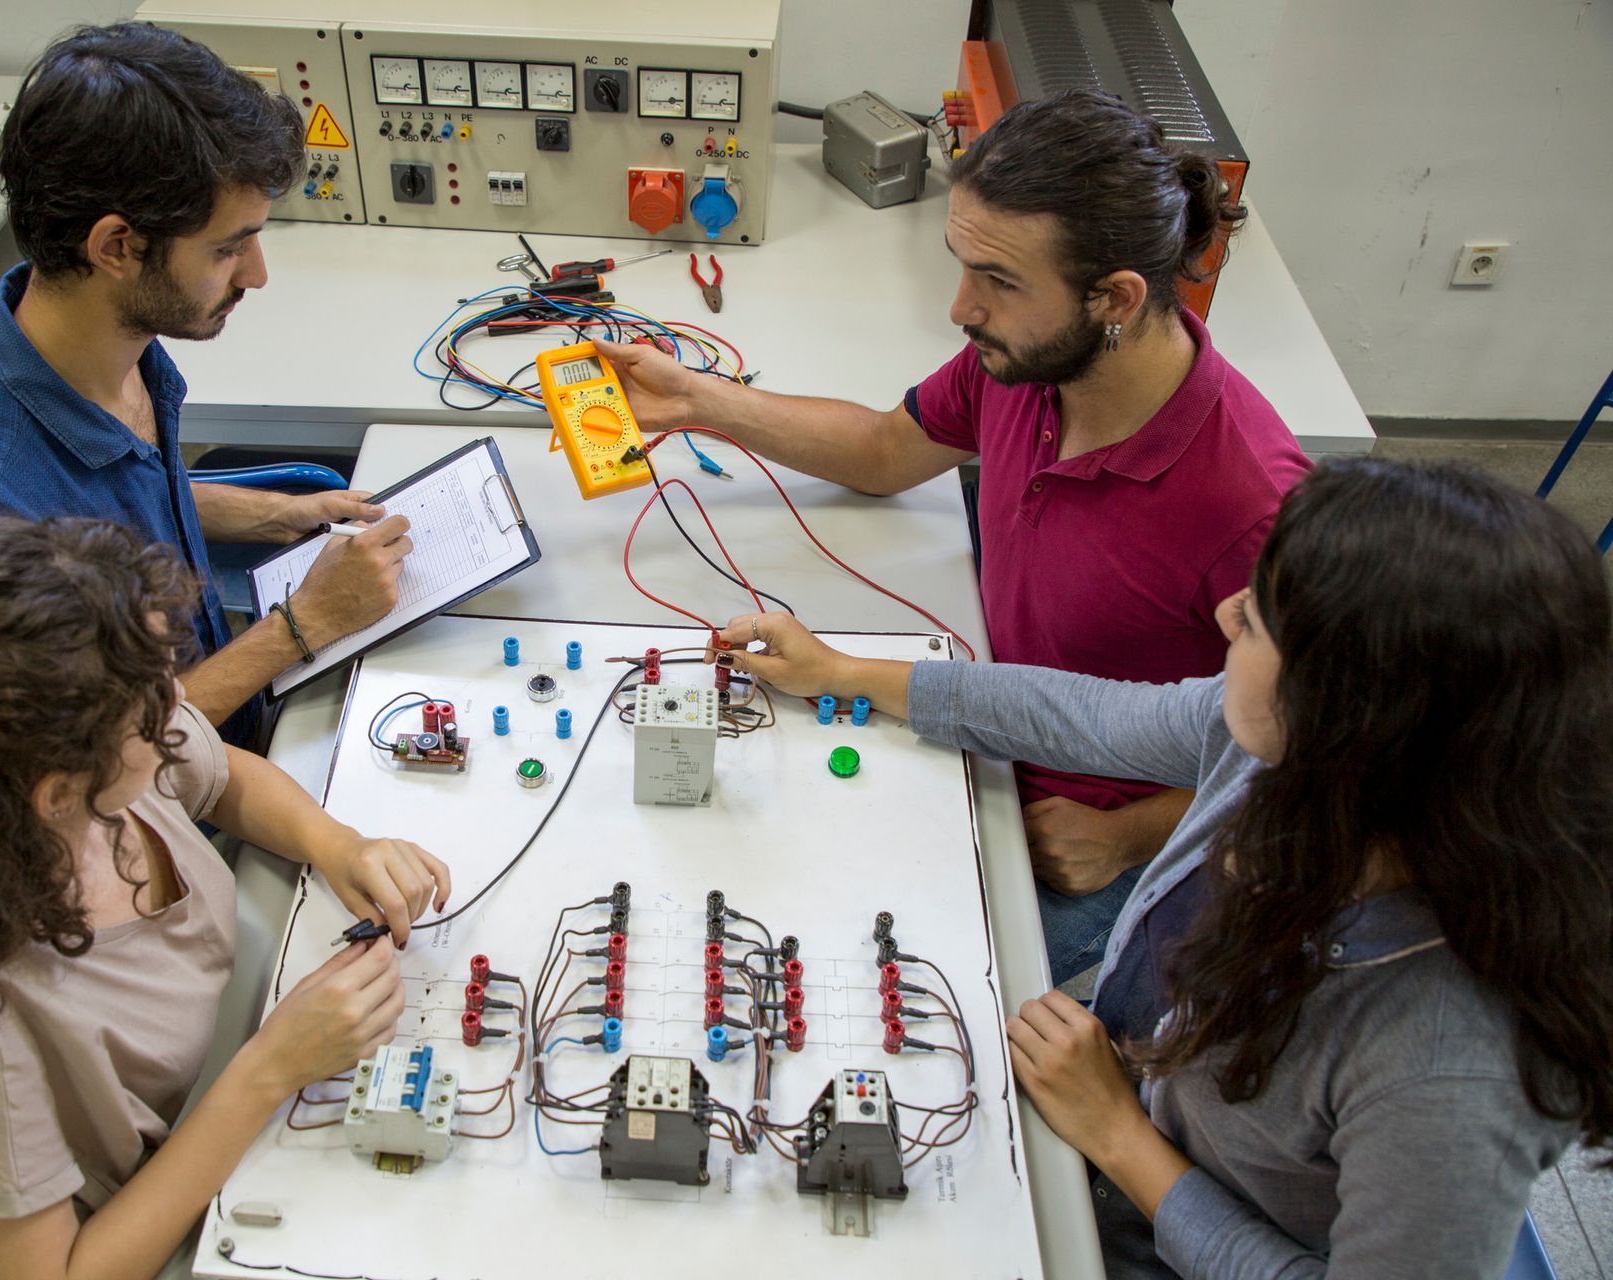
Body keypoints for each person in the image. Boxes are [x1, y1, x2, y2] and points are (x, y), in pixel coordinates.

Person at [718, 458, 1613, 1276]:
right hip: (1119, 1086)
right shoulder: (1298, 756)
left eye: (1255, 620)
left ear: (1352, 709)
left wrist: (1120, 1139)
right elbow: (1089, 717)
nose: (1226, 615)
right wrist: (849, 671)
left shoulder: (1449, 1070)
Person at [600, 89, 1311, 985]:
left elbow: (1324, 767)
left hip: (1082, 835)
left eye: (999, 282)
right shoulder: (1023, 361)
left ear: (1115, 299)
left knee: (853, 975)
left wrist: (1131, 836)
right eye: (961, 263)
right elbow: (886, 450)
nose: (959, 308)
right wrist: (699, 401)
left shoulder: (1255, 509)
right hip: (976, 715)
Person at [0, 517, 452, 1280]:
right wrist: (271, 1068)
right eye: (147, 697)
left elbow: (224, 776)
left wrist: (338, 844)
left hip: (183, 1118)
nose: (176, 698)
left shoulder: (103, 781)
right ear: (58, 791)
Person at [0, 23, 409, 746]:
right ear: (116, 246)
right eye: (228, 248)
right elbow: (93, 758)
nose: (256, 274)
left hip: (219, 722)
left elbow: (114, 502)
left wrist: (275, 517)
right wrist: (303, 624)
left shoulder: (109, 353)